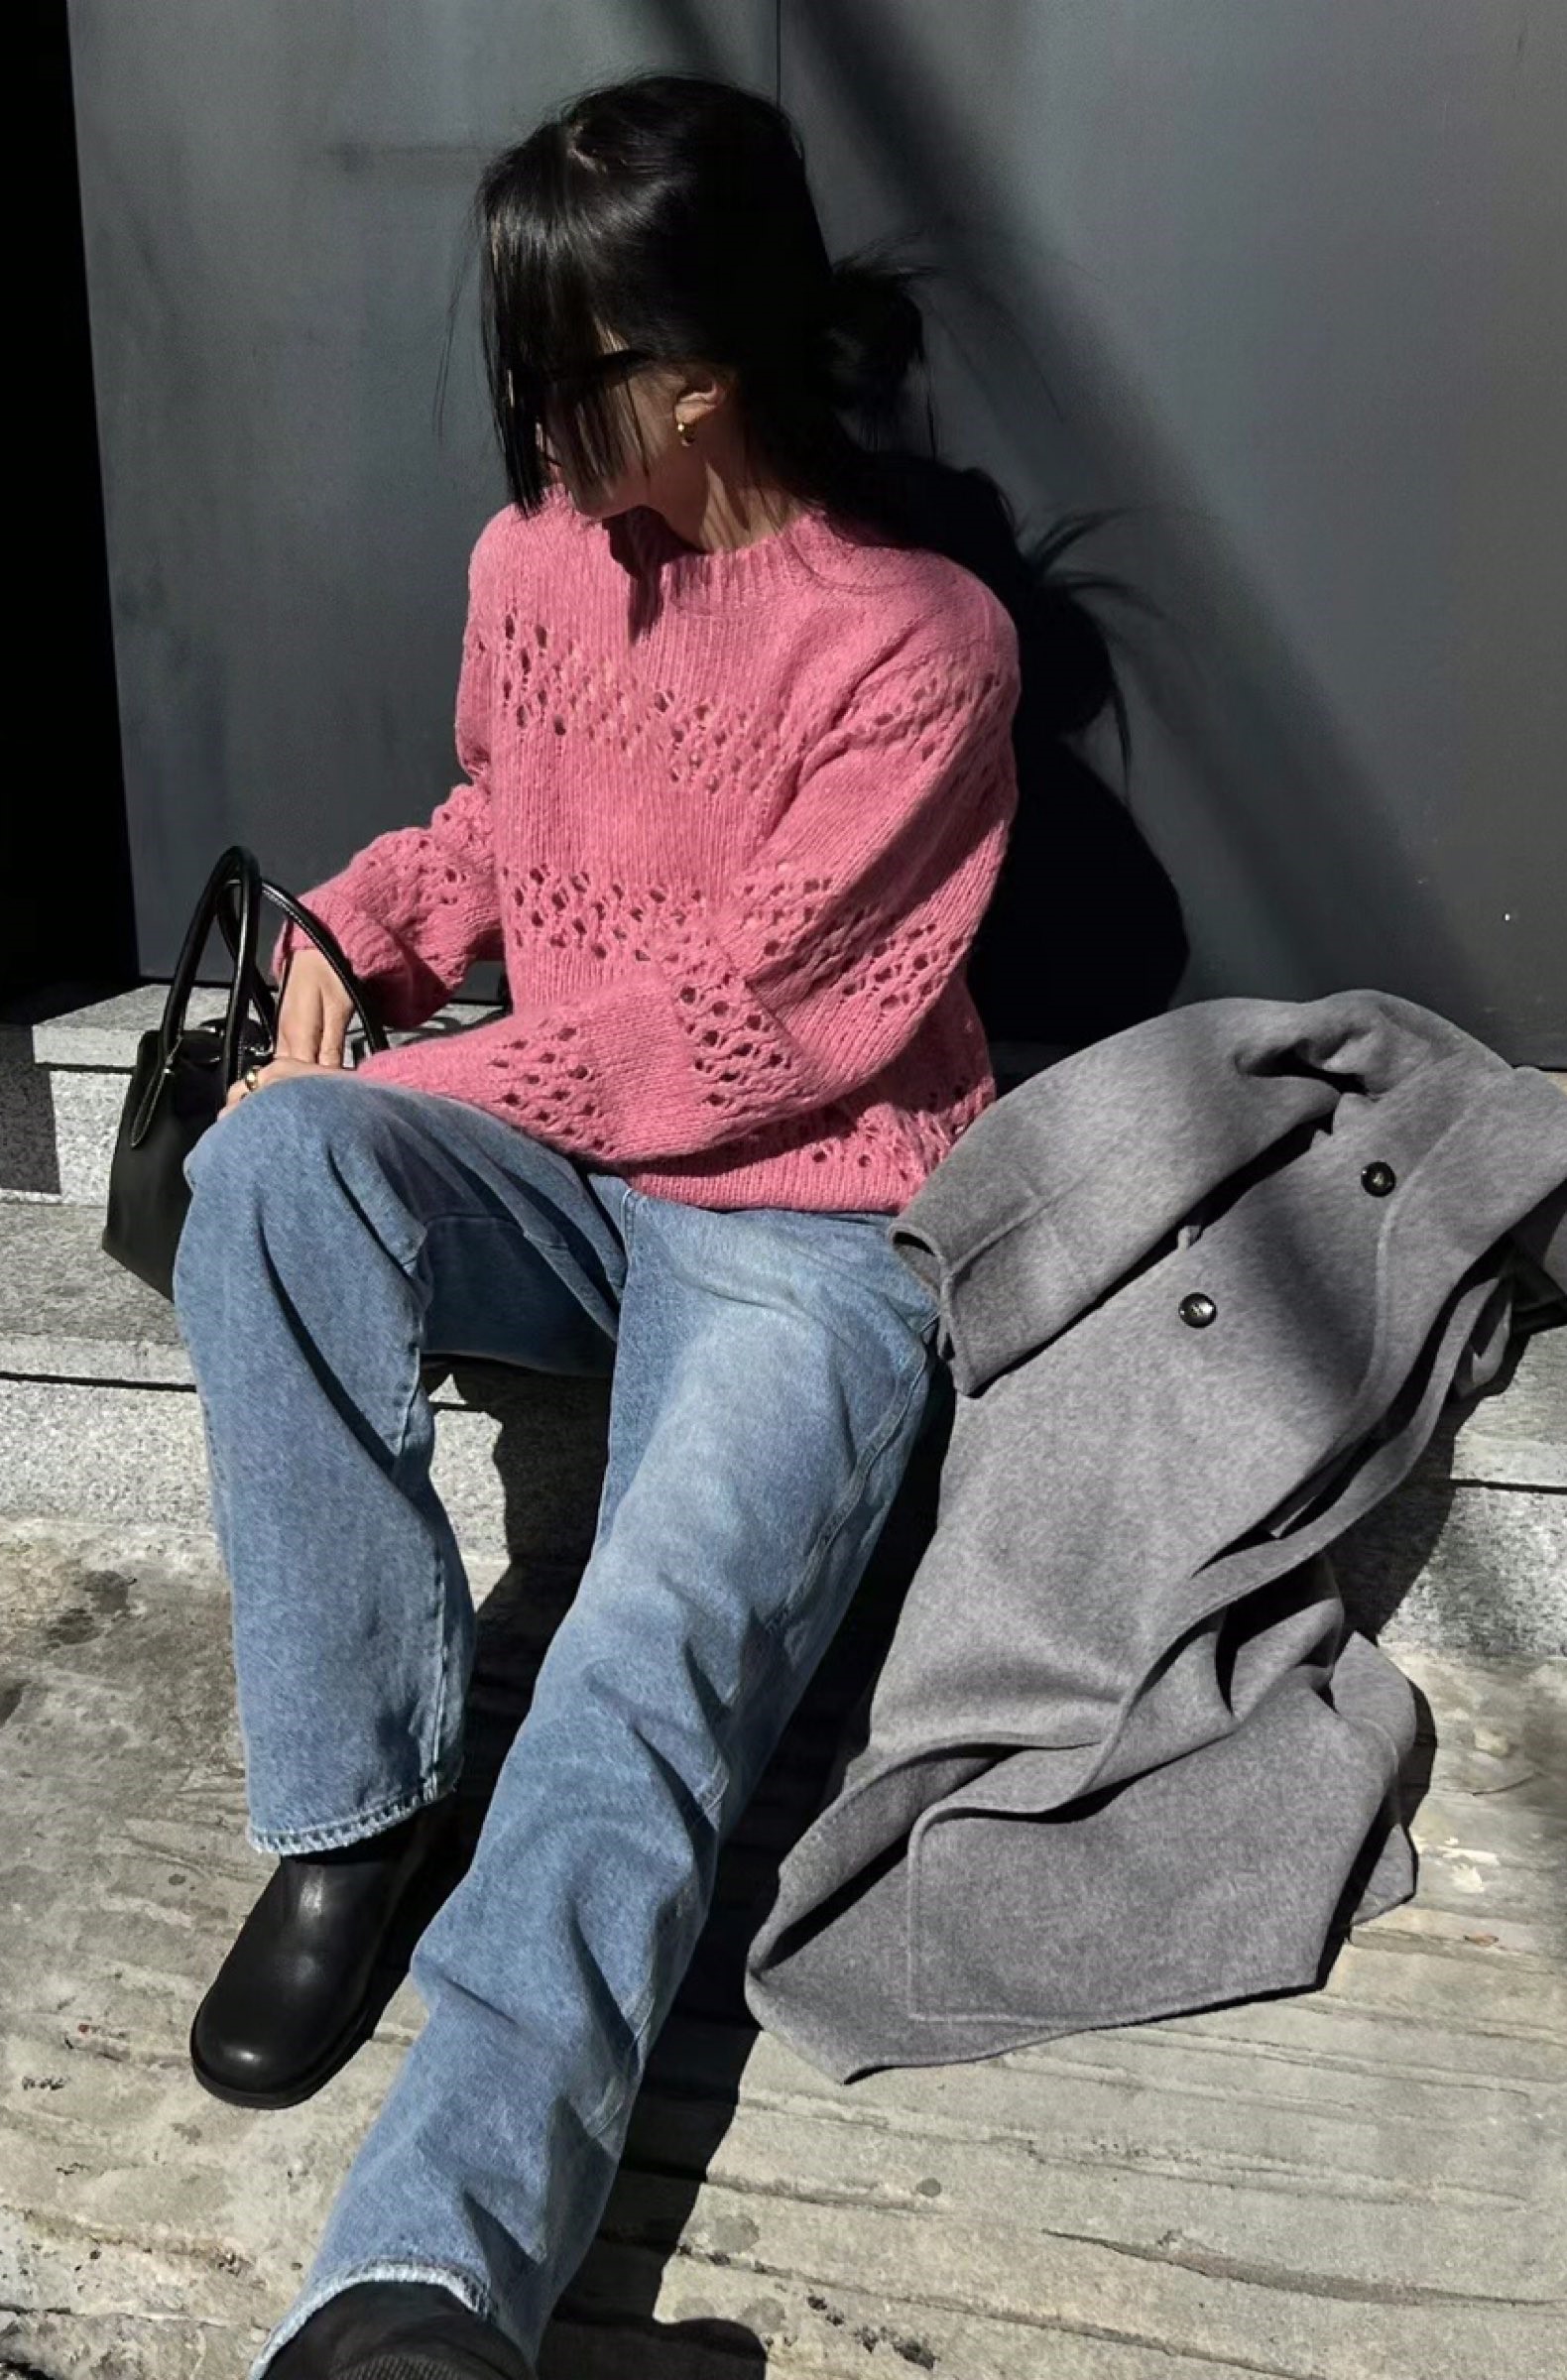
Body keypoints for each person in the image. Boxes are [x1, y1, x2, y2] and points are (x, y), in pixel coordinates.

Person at [172, 67, 1022, 2380]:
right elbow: (494, 822)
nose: (527, 418)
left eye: (558, 374)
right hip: (563, 1170)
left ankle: (417, 2287)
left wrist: (416, 1076)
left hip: (812, 1220)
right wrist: (351, 941)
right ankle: (359, 1810)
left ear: (705, 379)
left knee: (634, 1672)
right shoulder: (535, 561)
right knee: (273, 1162)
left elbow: (753, 1031)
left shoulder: (920, 646)